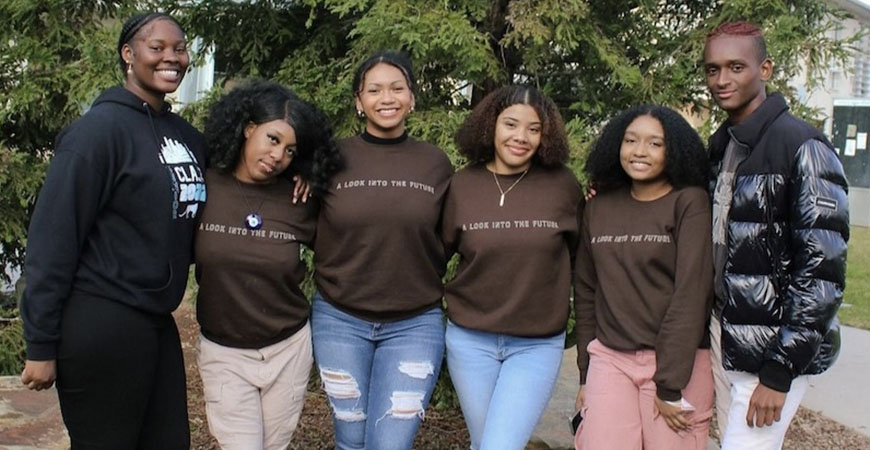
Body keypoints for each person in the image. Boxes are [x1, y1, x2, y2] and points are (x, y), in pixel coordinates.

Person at [19, 12, 205, 448]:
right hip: (100, 319)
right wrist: (41, 344)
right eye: (156, 48)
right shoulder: (95, 134)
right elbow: (53, 240)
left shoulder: (187, 137)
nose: (171, 58)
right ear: (128, 54)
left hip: (156, 323)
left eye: (179, 49)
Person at [704, 21, 849, 450]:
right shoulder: (724, 145)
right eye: (712, 70)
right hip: (726, 337)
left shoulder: (801, 144)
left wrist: (781, 369)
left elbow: (822, 272)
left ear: (764, 69)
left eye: (735, 67)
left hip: (772, 350)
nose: (722, 80)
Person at [310, 51, 453, 450]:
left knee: (391, 444)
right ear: (359, 101)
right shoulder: (330, 159)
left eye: (397, 88)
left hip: (414, 324)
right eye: (374, 90)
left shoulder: (435, 164)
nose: (385, 98)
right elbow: (293, 214)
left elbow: (461, 229)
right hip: (339, 319)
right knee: (351, 439)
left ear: (412, 98)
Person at [194, 80, 341, 450]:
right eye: (272, 139)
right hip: (224, 351)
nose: (279, 155)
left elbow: (345, 242)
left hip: (287, 348)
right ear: (247, 130)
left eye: (291, 150)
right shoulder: (205, 185)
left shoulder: (300, 196)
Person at [441, 85, 582, 450]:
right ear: (491, 126)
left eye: (534, 129)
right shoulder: (462, 185)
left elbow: (584, 259)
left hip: (535, 346)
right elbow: (432, 256)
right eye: (511, 124)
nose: (521, 137)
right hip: (470, 342)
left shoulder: (563, 186)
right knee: (485, 442)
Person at [572, 105, 714, 450]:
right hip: (610, 358)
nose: (639, 151)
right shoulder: (598, 208)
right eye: (630, 140)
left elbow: (691, 294)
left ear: (674, 150)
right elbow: (588, 291)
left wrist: (669, 385)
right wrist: (586, 373)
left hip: (673, 363)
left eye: (655, 144)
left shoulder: (689, 203)